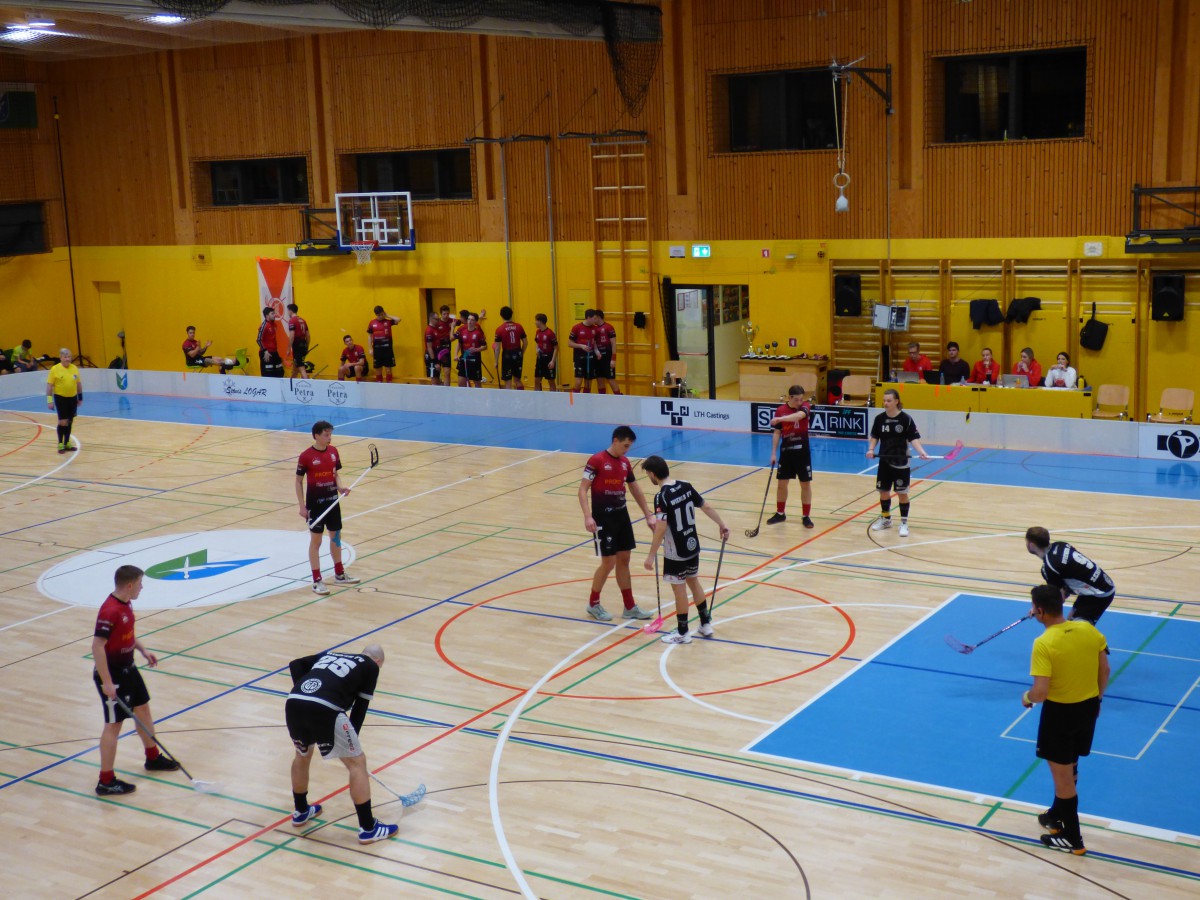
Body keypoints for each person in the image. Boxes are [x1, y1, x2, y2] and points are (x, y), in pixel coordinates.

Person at [1021, 584, 1109, 856]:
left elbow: (1040, 692)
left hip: (1060, 715)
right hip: (1088, 708)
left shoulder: (1044, 643)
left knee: (1063, 779)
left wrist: (1026, 697)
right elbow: (1104, 670)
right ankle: (1057, 815)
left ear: (1039, 611)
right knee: (1071, 765)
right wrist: (1097, 699)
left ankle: (1073, 838)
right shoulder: (1088, 630)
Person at [285, 644, 398, 844]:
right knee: (357, 763)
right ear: (378, 661)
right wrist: (353, 742)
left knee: (302, 755)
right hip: (325, 709)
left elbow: (295, 664)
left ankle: (301, 811)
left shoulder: (332, 654)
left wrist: (308, 693)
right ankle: (368, 828)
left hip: (294, 702)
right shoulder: (370, 666)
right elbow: (360, 708)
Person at [92, 564, 181, 796]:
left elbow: (126, 634)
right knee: (114, 725)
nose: (142, 587)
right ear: (130, 585)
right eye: (140, 583)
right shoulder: (110, 611)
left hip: (129, 669)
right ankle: (106, 781)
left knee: (143, 709)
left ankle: (153, 758)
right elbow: (97, 646)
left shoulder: (126, 604)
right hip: (113, 674)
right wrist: (107, 682)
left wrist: (142, 649)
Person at [641, 455, 730, 644]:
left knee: (679, 589)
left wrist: (650, 556)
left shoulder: (661, 496)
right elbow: (706, 506)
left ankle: (683, 633)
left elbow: (661, 528)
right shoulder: (685, 486)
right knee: (694, 582)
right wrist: (722, 524)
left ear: (653, 474)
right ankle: (705, 624)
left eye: (648, 474)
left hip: (675, 551)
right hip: (692, 544)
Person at [578, 425, 656, 621]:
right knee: (609, 562)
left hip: (622, 516)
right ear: (615, 441)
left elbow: (635, 488)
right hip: (603, 518)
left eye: (629, 446)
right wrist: (588, 516)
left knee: (624, 559)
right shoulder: (596, 460)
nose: (627, 450)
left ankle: (629, 607)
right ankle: (593, 604)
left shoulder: (625, 463)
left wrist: (648, 514)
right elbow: (582, 490)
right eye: (625, 445)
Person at [295, 420, 361, 595]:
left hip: (333, 503)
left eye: (330, 434)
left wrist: (340, 487)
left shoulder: (333, 452)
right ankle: (317, 580)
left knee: (336, 538)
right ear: (316, 436)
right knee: (316, 542)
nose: (329, 438)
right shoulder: (306, 456)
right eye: (326, 435)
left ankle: (339, 574)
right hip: (316, 506)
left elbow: (335, 473)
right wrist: (302, 506)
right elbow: (298, 481)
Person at [866, 388, 930, 537]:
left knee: (902, 493)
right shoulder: (879, 419)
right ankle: (886, 519)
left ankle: (904, 523)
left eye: (889, 401)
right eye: (884, 400)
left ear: (896, 401)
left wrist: (921, 451)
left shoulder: (906, 419)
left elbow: (913, 438)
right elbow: (875, 436)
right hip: (884, 461)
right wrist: (871, 449)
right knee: (883, 491)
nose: (885, 403)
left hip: (901, 462)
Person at [1024, 527, 1115, 623]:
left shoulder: (1050, 567)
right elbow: (1066, 586)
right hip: (1098, 585)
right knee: (1070, 622)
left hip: (1099, 594)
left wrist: (1039, 610)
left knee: (1075, 629)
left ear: (1032, 545)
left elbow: (1058, 599)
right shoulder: (1061, 545)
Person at [767, 384, 815, 528]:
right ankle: (780, 513)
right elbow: (777, 433)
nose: (799, 402)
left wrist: (780, 419)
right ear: (789, 398)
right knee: (782, 484)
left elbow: (798, 416)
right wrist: (773, 453)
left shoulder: (805, 406)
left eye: (801, 399)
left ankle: (806, 516)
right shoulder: (780, 410)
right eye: (796, 400)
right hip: (786, 452)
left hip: (802, 452)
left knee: (805, 484)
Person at [45, 347, 82, 453]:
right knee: (63, 422)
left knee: (70, 421)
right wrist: (49, 400)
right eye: (65, 357)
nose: (68, 359)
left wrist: (80, 397)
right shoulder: (55, 369)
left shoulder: (74, 368)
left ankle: (67, 443)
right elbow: (49, 385)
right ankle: (60, 444)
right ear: (61, 357)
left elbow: (78, 383)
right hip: (60, 398)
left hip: (72, 398)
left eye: (69, 357)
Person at [493, 306, 527, 390]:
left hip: (507, 355)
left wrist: (496, 361)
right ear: (512, 315)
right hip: (518, 353)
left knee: (508, 381)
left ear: (501, 316)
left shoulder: (499, 329)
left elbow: (497, 348)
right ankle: (521, 396)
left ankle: (509, 398)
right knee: (517, 380)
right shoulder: (519, 326)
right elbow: (525, 342)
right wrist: (521, 353)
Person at [366, 305, 400, 383]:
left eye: (382, 314)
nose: (380, 316)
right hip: (377, 349)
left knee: (388, 369)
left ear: (383, 313)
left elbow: (398, 319)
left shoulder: (388, 321)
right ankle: (379, 384)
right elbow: (370, 336)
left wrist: (387, 315)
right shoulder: (372, 323)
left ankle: (389, 384)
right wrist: (370, 349)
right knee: (378, 369)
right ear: (376, 314)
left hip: (387, 349)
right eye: (378, 315)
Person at [568, 309, 598, 393]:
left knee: (588, 383)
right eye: (594, 318)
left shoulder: (595, 328)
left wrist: (597, 352)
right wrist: (581, 346)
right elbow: (570, 343)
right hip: (579, 359)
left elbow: (594, 343)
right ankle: (574, 399)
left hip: (590, 358)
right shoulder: (576, 328)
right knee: (578, 382)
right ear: (588, 318)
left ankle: (586, 399)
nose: (595, 320)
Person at [593, 309, 622, 395]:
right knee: (599, 379)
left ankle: (619, 398)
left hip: (608, 357)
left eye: (594, 318)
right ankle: (602, 398)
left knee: (611, 379)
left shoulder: (609, 327)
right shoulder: (594, 329)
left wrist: (613, 358)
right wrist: (596, 352)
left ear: (598, 317)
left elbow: (613, 344)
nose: (593, 320)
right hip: (598, 358)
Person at [458, 313, 487, 387]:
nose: (470, 321)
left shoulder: (478, 333)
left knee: (477, 383)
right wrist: (455, 354)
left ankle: (478, 394)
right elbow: (459, 344)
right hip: (464, 359)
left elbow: (485, 346)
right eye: (468, 319)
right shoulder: (462, 332)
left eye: (472, 320)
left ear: (475, 322)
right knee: (461, 382)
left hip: (475, 360)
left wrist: (476, 349)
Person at [532, 313, 558, 391]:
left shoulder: (550, 333)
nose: (535, 322)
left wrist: (552, 361)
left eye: (536, 320)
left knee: (551, 381)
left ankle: (553, 397)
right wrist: (537, 350)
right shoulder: (537, 332)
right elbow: (537, 343)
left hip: (548, 358)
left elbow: (556, 348)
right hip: (540, 359)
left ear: (540, 321)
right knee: (537, 380)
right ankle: (537, 397)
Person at [257, 307, 284, 378]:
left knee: (279, 371)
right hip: (267, 353)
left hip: (274, 352)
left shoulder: (274, 325)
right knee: (268, 374)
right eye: (272, 313)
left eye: (274, 313)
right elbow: (259, 340)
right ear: (267, 316)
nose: (274, 315)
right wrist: (265, 351)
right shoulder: (264, 325)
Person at [287, 303, 311, 379]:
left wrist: (288, 349)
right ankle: (291, 383)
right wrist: (307, 347)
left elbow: (292, 336)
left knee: (300, 366)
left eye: (288, 311)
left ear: (290, 311)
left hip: (297, 346)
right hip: (303, 345)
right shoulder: (303, 320)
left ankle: (307, 383)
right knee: (295, 367)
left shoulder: (292, 321)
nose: (288, 313)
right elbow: (308, 336)